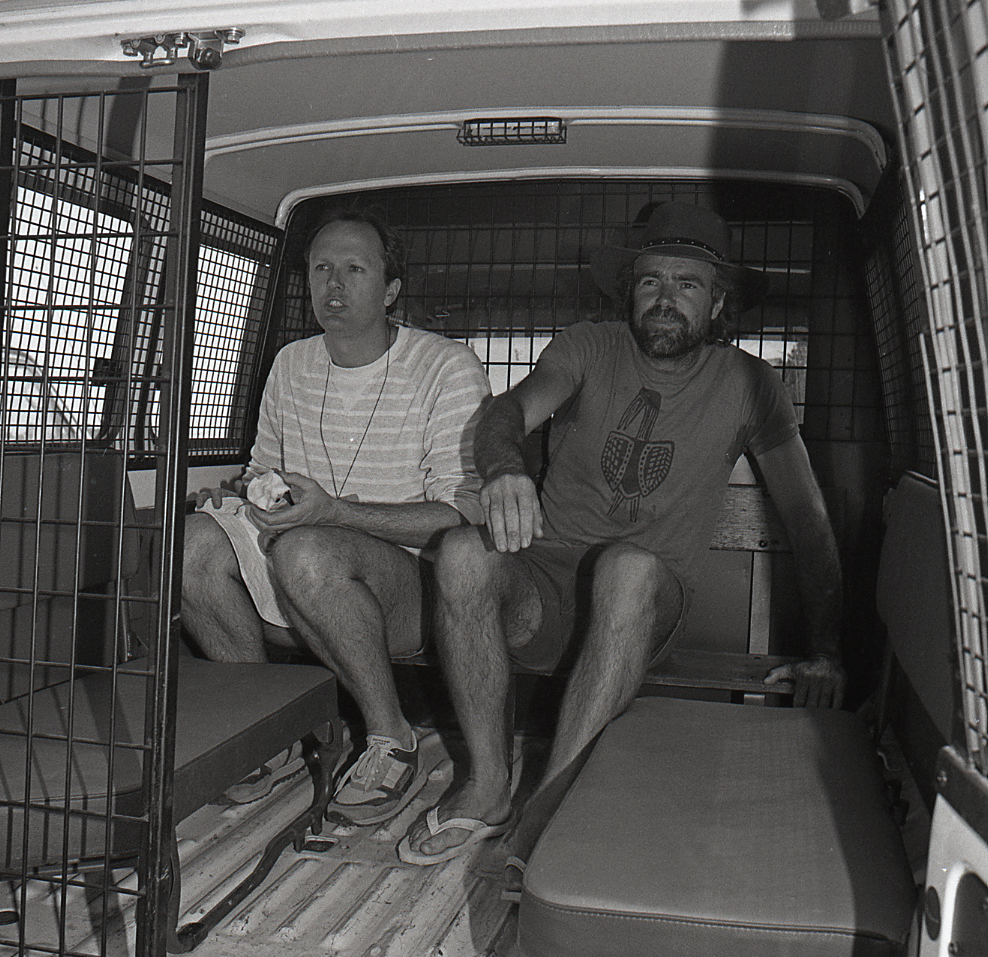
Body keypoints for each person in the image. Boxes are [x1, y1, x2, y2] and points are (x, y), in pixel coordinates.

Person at [397, 201, 846, 865]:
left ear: (718, 303)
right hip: (544, 587)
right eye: (650, 281)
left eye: (687, 284)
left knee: (628, 567)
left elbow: (808, 523)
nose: (665, 298)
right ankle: (488, 785)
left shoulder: (750, 383)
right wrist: (501, 469)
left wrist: (828, 651)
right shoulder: (587, 345)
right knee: (462, 551)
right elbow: (507, 410)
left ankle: (548, 811)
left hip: (645, 602)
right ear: (629, 292)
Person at [182, 208, 490, 822]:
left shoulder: (446, 367)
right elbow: (264, 470)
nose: (335, 285)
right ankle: (264, 733)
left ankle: (390, 738)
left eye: (355, 268)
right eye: (321, 268)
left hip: (412, 587)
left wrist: (334, 514)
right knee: (188, 542)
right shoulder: (291, 363)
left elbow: (463, 517)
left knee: (308, 549)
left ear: (391, 288)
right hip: (304, 562)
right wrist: (244, 497)